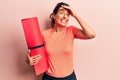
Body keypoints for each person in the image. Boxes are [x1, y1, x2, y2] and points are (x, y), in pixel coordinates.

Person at [26, 2, 96, 80]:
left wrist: (75, 15)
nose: (65, 16)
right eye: (62, 12)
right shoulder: (43, 34)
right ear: (54, 16)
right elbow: (33, 52)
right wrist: (28, 60)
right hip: (49, 78)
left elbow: (91, 35)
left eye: (68, 14)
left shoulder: (71, 31)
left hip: (69, 78)